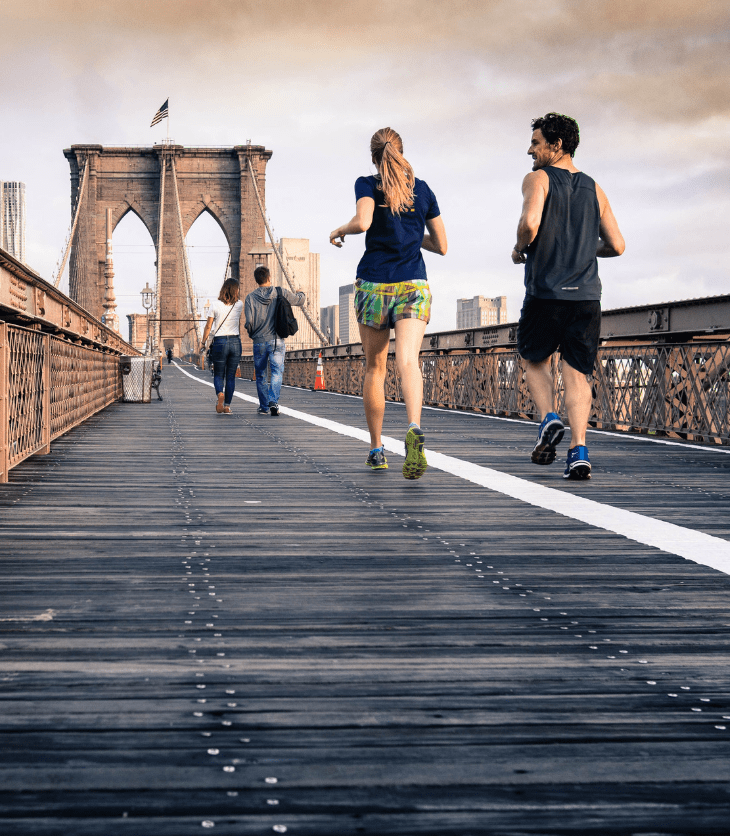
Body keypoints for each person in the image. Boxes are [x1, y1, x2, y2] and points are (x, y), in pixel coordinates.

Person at [329, 127, 447, 479]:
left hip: (375, 285)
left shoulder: (367, 183)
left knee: (375, 368)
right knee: (408, 361)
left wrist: (339, 230)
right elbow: (441, 245)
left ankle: (377, 449)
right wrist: (412, 235)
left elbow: (363, 221)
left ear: (373, 156)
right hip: (413, 283)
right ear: (401, 150)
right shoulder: (422, 189)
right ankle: (413, 427)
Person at [512, 112, 625, 479]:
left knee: (534, 359)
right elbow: (617, 245)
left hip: (546, 292)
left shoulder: (538, 178)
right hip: (587, 297)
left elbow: (530, 224)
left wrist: (519, 248)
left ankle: (548, 419)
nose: (530, 150)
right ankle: (579, 451)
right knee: (577, 375)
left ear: (555, 146)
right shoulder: (595, 187)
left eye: (536, 142)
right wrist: (583, 250)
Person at [244, 265, 305, 416]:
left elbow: (249, 322)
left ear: (256, 280)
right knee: (277, 372)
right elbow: (299, 301)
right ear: (269, 278)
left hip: (259, 341)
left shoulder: (250, 298)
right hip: (277, 341)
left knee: (260, 375)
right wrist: (302, 293)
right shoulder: (280, 292)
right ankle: (273, 401)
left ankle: (264, 406)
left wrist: (253, 334)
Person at [199, 278, 243, 414]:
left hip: (219, 342)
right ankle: (227, 406)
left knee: (218, 374)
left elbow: (208, 326)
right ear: (235, 290)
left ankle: (220, 395)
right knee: (230, 376)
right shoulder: (240, 304)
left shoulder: (215, 305)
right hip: (235, 342)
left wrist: (203, 343)